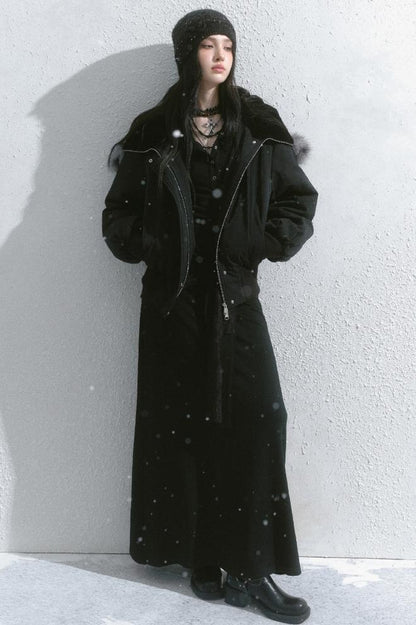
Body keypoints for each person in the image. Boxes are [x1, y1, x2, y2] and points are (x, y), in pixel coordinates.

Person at [102, 9, 318, 623]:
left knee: (260, 418)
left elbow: (298, 200)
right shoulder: (152, 129)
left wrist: (261, 245)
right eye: (207, 45)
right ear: (187, 54)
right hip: (171, 305)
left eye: (228, 44)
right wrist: (152, 247)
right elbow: (118, 215)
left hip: (235, 298)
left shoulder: (259, 126)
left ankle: (251, 570)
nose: (220, 54)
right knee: (182, 427)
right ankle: (199, 556)